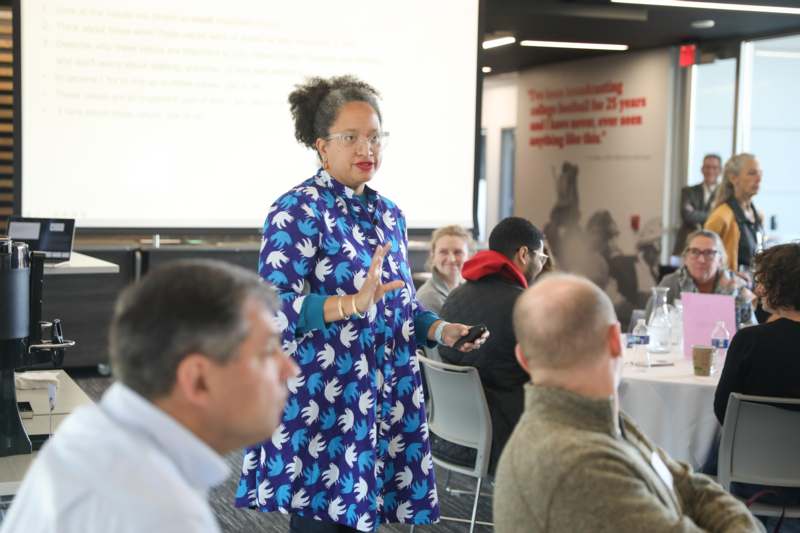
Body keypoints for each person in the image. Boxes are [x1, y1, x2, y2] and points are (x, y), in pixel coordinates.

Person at [236, 75, 486, 532]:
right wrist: (349, 303)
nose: (365, 148)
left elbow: (402, 308)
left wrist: (441, 330)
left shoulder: (390, 214)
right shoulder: (296, 210)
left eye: (374, 136)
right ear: (321, 147)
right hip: (325, 404)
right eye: (350, 137)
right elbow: (272, 310)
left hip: (384, 398)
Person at [0, 260, 299, 533]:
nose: (291, 369)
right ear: (197, 380)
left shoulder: (90, 429)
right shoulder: (164, 515)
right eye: (267, 353)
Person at [494, 273, 763, 533]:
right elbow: (693, 492)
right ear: (615, 341)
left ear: (523, 358)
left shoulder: (601, 419)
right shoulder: (580, 465)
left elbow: (686, 485)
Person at [436, 216, 546, 472]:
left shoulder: (455, 295)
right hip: (504, 434)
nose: (542, 265)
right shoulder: (524, 305)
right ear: (523, 254)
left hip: (451, 431)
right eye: (541, 257)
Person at [714, 242, 800, 530]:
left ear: (777, 287)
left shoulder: (749, 341)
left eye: (762, 282)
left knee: (698, 462)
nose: (758, 290)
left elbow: (724, 412)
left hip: (751, 479)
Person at [646, 230, 754, 327]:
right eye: (694, 252)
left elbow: (751, 329)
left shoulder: (736, 285)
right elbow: (650, 324)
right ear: (686, 257)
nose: (701, 259)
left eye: (709, 253)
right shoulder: (670, 283)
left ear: (720, 260)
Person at [705, 153, 764, 271]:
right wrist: (730, 277)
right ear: (733, 178)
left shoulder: (758, 215)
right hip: (730, 287)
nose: (759, 178)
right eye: (752, 173)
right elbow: (705, 259)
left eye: (760, 173)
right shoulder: (721, 217)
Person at [415, 224, 474, 314]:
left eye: (458, 252)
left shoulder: (467, 290)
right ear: (433, 255)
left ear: (469, 256)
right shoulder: (429, 298)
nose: (451, 259)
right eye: (443, 252)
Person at [674, 154, 723, 255]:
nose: (710, 171)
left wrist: (696, 213)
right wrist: (713, 214)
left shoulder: (725, 195)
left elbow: (721, 219)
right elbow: (688, 216)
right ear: (702, 169)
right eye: (707, 167)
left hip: (713, 247)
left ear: (720, 170)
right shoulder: (688, 191)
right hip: (686, 245)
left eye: (714, 168)